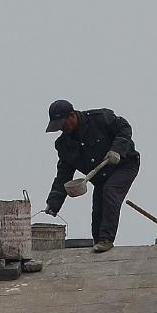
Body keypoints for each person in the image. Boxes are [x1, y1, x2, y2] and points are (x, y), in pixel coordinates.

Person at [43, 100, 140, 253]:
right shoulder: (64, 145)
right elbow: (63, 175)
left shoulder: (99, 118)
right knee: (98, 209)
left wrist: (117, 149)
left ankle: (106, 239)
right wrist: (54, 203)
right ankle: (98, 242)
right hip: (100, 177)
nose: (62, 128)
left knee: (110, 192)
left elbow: (124, 128)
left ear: (72, 116)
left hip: (124, 166)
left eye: (63, 124)